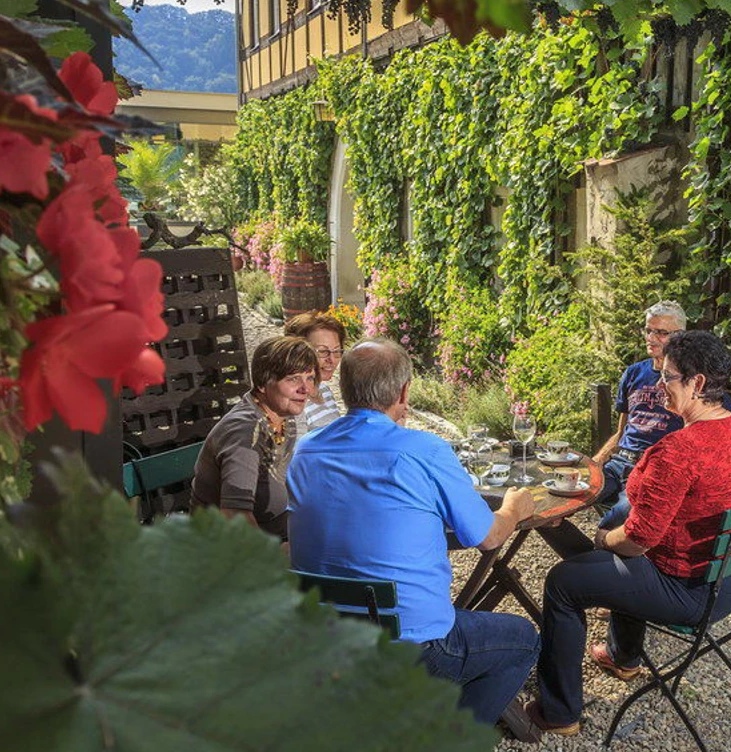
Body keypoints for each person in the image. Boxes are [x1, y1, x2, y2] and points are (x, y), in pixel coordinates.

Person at [285, 339, 541, 732]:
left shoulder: (306, 451)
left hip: (327, 638)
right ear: (403, 393)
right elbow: (486, 537)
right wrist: (513, 508)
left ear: (345, 387)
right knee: (523, 639)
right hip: (414, 647)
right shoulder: (423, 449)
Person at [527, 331, 731, 737]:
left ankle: (560, 711)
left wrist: (604, 540)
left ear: (698, 384)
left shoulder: (679, 450)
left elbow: (638, 541)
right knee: (610, 537)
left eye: (668, 378)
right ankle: (622, 655)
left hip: (689, 591)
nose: (658, 387)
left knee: (565, 582)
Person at [590, 301, 731, 530]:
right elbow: (621, 433)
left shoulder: (690, 382)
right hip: (620, 463)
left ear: (680, 336)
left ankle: (593, 559)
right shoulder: (633, 373)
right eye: (648, 330)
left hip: (654, 471)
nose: (651, 338)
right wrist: (592, 464)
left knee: (613, 524)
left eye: (661, 332)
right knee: (567, 494)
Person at [191, 335, 316, 539]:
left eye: (309, 377)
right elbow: (234, 516)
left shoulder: (283, 417)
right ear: (262, 383)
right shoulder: (245, 431)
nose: (305, 389)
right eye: (293, 379)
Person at [284, 310, 347, 430]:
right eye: (323, 351)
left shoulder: (324, 389)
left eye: (337, 351)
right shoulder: (293, 401)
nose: (332, 360)